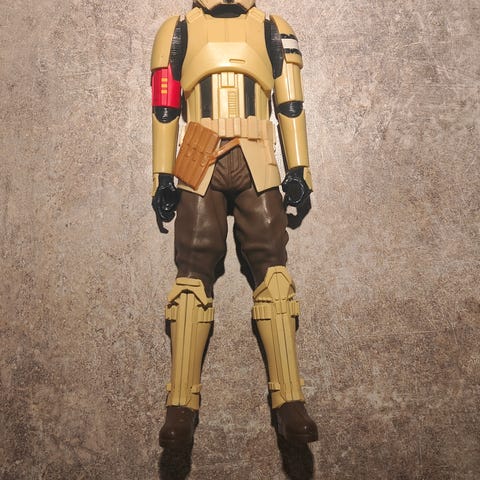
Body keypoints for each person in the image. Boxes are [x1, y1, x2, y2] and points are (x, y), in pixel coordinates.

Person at [150, 0, 318, 447]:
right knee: (192, 271)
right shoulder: (178, 30)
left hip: (256, 151)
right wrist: (161, 175)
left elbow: (291, 103)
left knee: (273, 270)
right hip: (200, 150)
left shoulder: (272, 28)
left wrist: (299, 169)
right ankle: (180, 406)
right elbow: (165, 107)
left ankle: (289, 400)